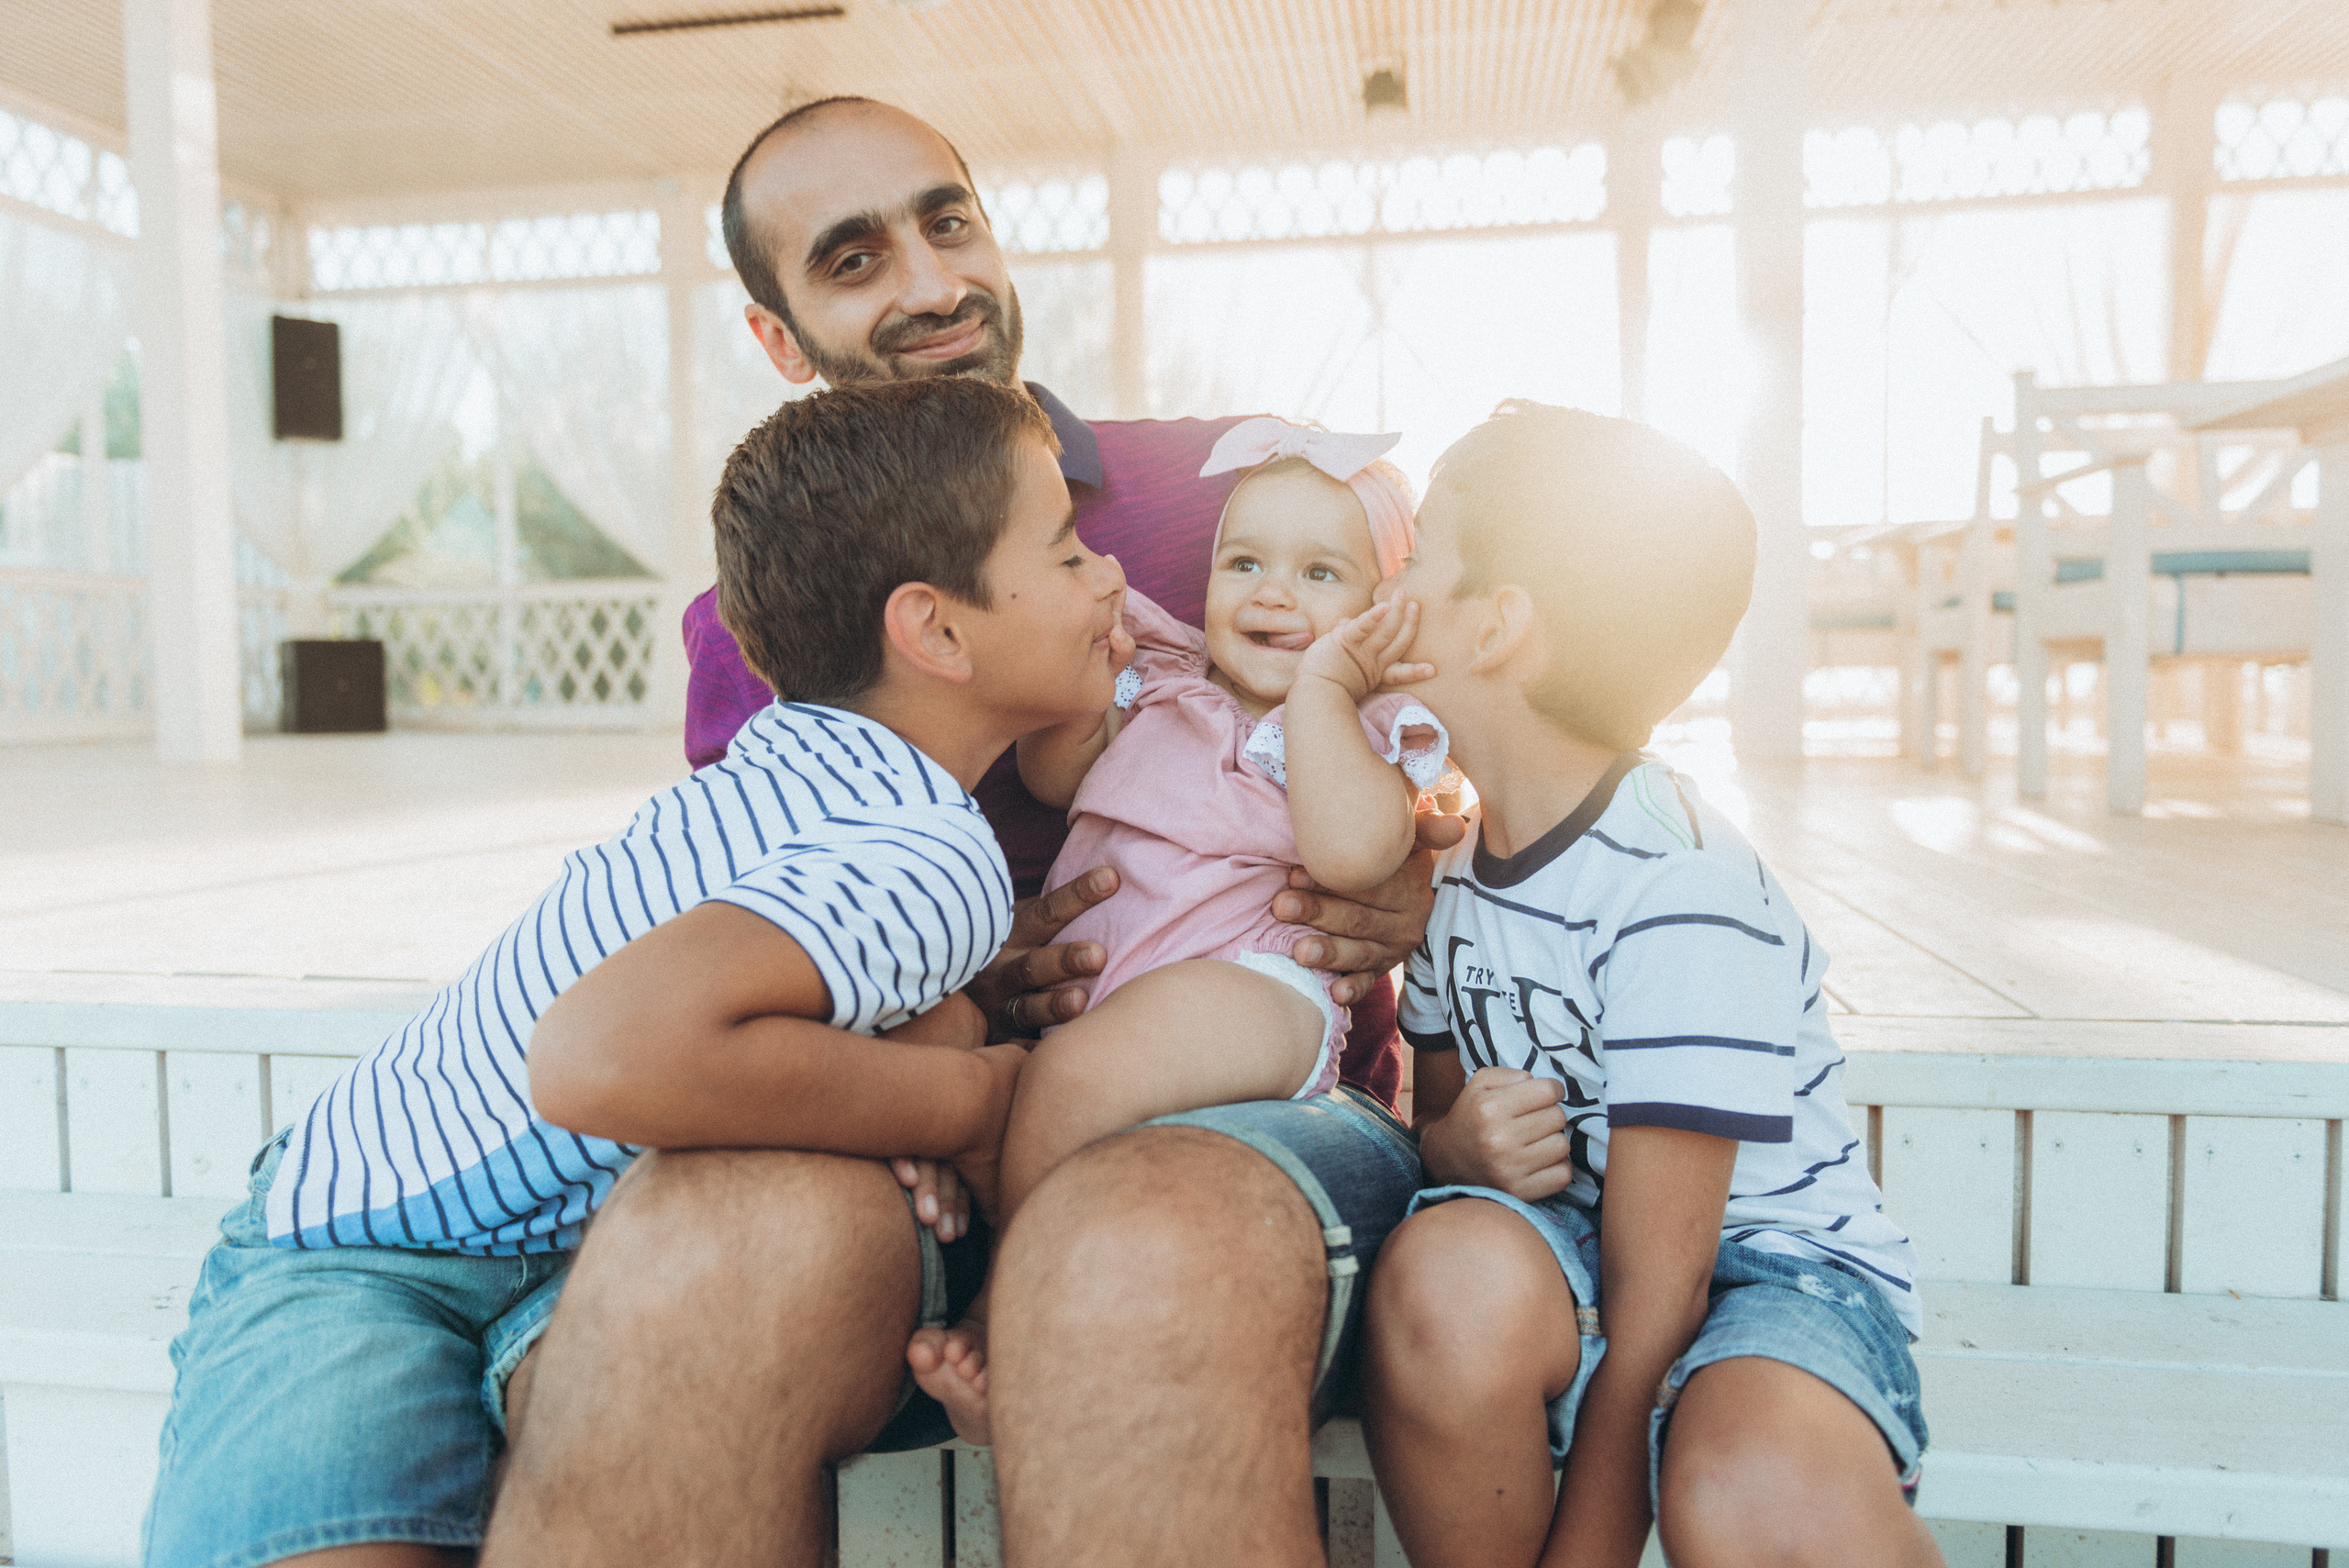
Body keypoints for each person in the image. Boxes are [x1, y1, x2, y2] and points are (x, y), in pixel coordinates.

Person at [505, 95, 1446, 1566]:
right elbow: (781, 939)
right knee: (693, 1255)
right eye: (855, 257)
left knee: (1128, 1254)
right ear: (778, 335)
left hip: (1242, 1103)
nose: (935, 284)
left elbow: (1468, 674)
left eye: (949, 222)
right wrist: (957, 996)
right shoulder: (743, 627)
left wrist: (1423, 854)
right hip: (939, 1118)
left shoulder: (1221, 497)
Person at [143, 377, 1125, 1567]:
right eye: (1069, 555)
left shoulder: (798, 769)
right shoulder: (933, 854)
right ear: (936, 630)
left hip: (479, 1212)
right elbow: (602, 1053)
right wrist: (975, 1097)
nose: (1111, 580)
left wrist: (926, 1040)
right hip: (355, 1247)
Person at [1359, 403, 1939, 1568]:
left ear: (1498, 628)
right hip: (1570, 1242)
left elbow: (1661, 1291)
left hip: (1769, 1269)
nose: (1387, 583)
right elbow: (1436, 1099)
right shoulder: (1464, 866)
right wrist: (1456, 1147)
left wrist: (1592, 1546)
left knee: (1744, 1484)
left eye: (1415, 554)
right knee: (1439, 1282)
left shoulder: (1679, 888)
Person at [909, 419, 1453, 1444]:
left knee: (1069, 1078)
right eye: (1242, 561)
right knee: (990, 1074)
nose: (1272, 592)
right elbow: (1055, 778)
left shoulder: (1367, 727)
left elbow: (1349, 853)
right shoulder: (1163, 681)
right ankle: (989, 1198)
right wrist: (1086, 672)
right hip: (1117, 1006)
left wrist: (1332, 690)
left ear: (1384, 613)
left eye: (1320, 573)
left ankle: (1005, 1307)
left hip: (1250, 987)